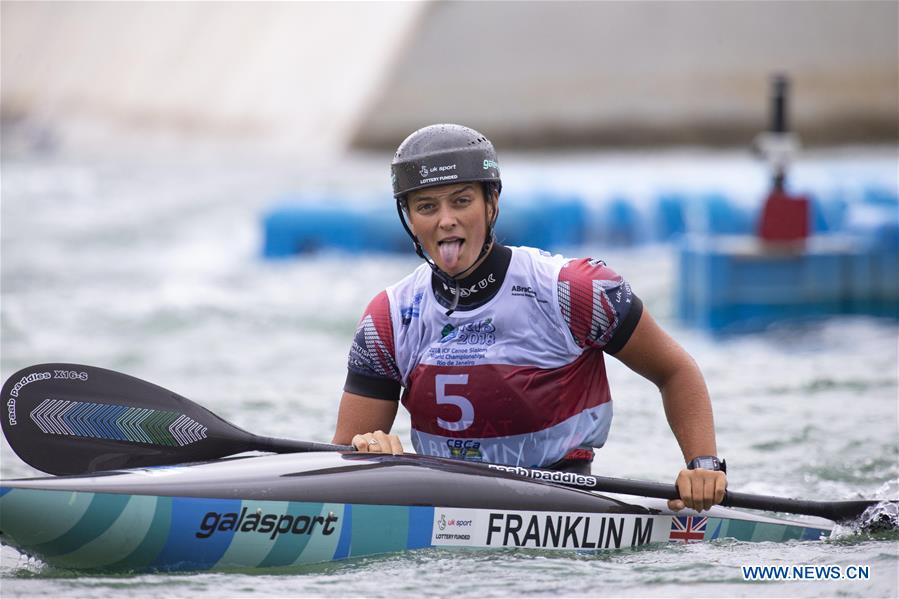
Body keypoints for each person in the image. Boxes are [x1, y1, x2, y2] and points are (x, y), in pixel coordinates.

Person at [332, 123, 726, 513]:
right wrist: (366, 451)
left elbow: (674, 371)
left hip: (564, 509)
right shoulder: (389, 317)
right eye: (427, 207)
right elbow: (340, 465)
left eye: (461, 201)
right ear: (410, 220)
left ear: (492, 203)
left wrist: (702, 464)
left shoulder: (573, 291)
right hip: (443, 511)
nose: (445, 220)